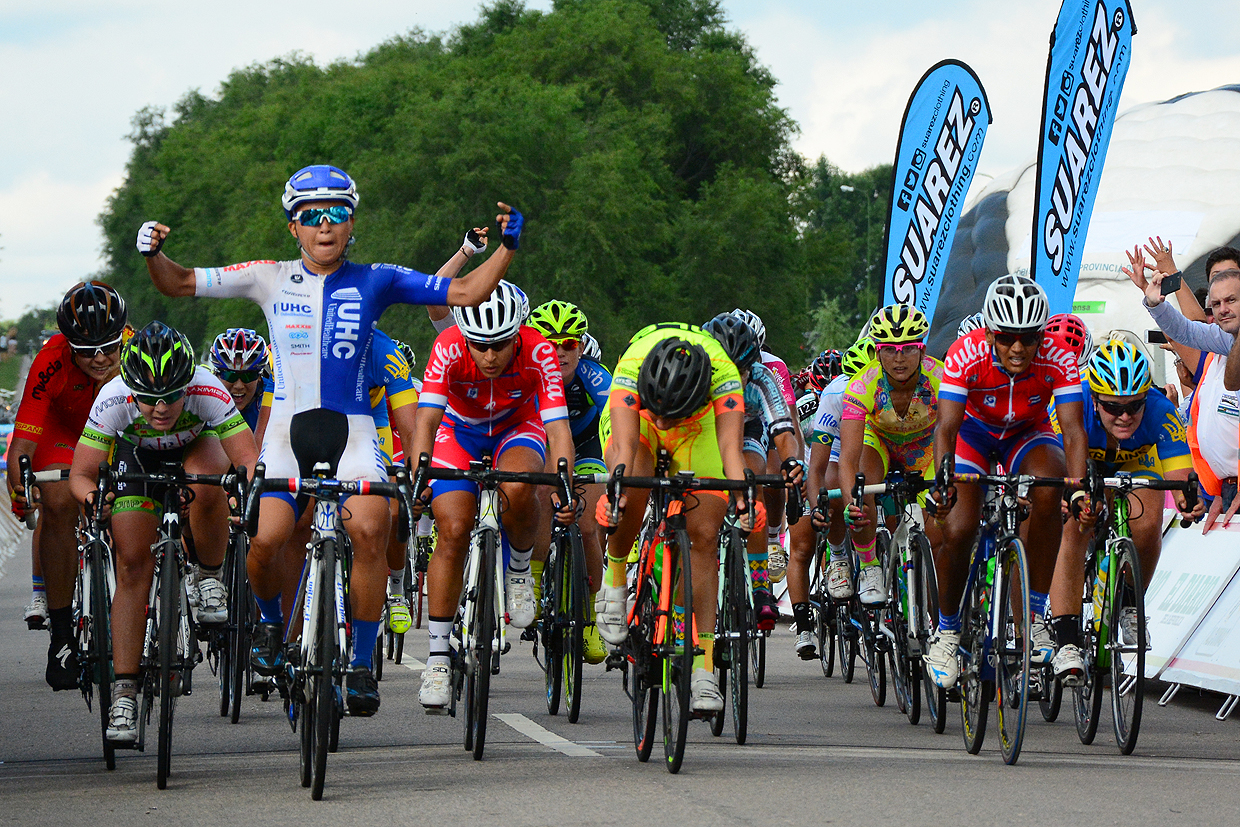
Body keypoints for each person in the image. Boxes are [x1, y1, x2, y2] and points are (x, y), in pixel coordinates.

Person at [136, 164, 523, 716]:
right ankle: (271, 628)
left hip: (354, 434)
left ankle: (361, 664)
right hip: (287, 435)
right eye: (310, 216)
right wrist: (153, 252)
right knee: (265, 541)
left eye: (336, 214)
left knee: (369, 528)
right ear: (293, 226)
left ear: (351, 223)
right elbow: (178, 282)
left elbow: (464, 290)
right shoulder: (267, 276)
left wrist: (506, 247)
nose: (324, 226)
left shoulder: (377, 279)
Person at [69, 322, 259, 741]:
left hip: (197, 449)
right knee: (133, 565)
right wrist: (93, 500)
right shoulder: (113, 397)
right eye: (149, 399)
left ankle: (209, 577)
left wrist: (241, 496)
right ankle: (124, 693)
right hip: (137, 461)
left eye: (171, 397)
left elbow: (246, 461)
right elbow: (81, 475)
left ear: (187, 385)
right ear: (131, 391)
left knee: (211, 478)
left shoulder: (208, 388)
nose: (160, 409)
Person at [594, 323, 792, 712]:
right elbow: (622, 447)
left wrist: (744, 500)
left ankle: (704, 669)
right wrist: (614, 496)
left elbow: (731, 453)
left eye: (673, 415)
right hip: (639, 420)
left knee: (703, 531)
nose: (667, 423)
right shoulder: (631, 368)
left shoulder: (724, 377)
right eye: (663, 415)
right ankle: (615, 581)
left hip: (699, 426)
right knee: (631, 483)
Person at [411, 282, 577, 711]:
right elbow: (426, 422)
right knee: (451, 529)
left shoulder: (540, 350)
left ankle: (519, 571)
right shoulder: (448, 346)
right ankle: (438, 657)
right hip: (458, 432)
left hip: (516, 428)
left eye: (500, 345)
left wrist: (563, 483)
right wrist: (418, 477)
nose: (489, 356)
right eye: (479, 345)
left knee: (523, 485)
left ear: (518, 333)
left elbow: (558, 429)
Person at [926, 274, 1089, 689]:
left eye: (1029, 338)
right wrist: (944, 477)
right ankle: (946, 632)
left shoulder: (1058, 355)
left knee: (1051, 488)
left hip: (1026, 434)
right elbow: (946, 426)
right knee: (959, 527)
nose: (1018, 348)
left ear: (1041, 335)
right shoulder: (966, 352)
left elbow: (1072, 430)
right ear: (990, 332)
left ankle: (1033, 620)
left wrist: (1080, 485)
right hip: (974, 434)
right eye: (1006, 338)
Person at [1047, 341, 1202, 684]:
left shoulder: (1162, 412)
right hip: (1083, 457)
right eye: (1114, 408)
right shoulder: (1075, 404)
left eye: (1134, 406)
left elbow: (1178, 477)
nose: (1125, 416)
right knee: (1078, 523)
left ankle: (1130, 603)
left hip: (1135, 462)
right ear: (1096, 400)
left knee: (1148, 520)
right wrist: (1070, 494)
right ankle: (1067, 638)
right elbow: (1058, 465)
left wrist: (1188, 501)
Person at [7, 281, 127, 690]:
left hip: (116, 430)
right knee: (58, 501)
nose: (99, 359)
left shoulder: (135, 354)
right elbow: (22, 444)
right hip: (63, 434)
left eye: (108, 348)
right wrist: (20, 490)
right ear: (68, 344)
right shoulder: (51, 359)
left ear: (123, 336)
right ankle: (61, 637)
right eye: (87, 350)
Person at [703, 312, 805, 631]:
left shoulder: (763, 377)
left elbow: (784, 431)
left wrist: (791, 464)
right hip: (705, 426)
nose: (733, 380)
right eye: (724, 371)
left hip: (749, 426)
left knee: (753, 481)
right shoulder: (697, 373)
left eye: (741, 372)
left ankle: (761, 588)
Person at [837, 304, 944, 604]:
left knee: (939, 526)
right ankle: (870, 567)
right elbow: (847, 457)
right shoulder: (862, 385)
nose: (899, 358)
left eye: (908, 349)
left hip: (925, 449)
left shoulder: (941, 378)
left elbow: (955, 434)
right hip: (880, 443)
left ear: (922, 351)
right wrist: (851, 502)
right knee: (862, 487)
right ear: (877, 351)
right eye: (889, 349)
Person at [526, 299, 610, 665]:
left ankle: (590, 619)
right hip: (544, 440)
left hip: (588, 442)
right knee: (543, 490)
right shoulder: (528, 373)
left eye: (569, 344)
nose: (560, 352)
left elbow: (614, 424)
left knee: (589, 524)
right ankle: (533, 580)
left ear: (581, 345)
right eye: (550, 344)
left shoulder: (594, 376)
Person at [1133, 264, 1240, 530]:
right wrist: (1155, 304)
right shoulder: (1225, 341)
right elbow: (1187, 332)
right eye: (1216, 304)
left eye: (1231, 300)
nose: (1223, 309)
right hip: (1224, 489)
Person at [795, 338, 876, 657]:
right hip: (815, 462)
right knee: (802, 547)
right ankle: (803, 627)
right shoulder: (818, 403)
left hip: (864, 453)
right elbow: (806, 453)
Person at [730, 308, 797, 582]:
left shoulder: (769, 368)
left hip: (755, 422)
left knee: (763, 476)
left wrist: (794, 465)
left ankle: (772, 540)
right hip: (716, 425)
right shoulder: (705, 366)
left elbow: (787, 423)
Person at [207, 328, 271, 443]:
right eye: (229, 375)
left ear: (260, 376)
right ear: (216, 374)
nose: (239, 385)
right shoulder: (203, 395)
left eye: (248, 376)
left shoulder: (273, 397)